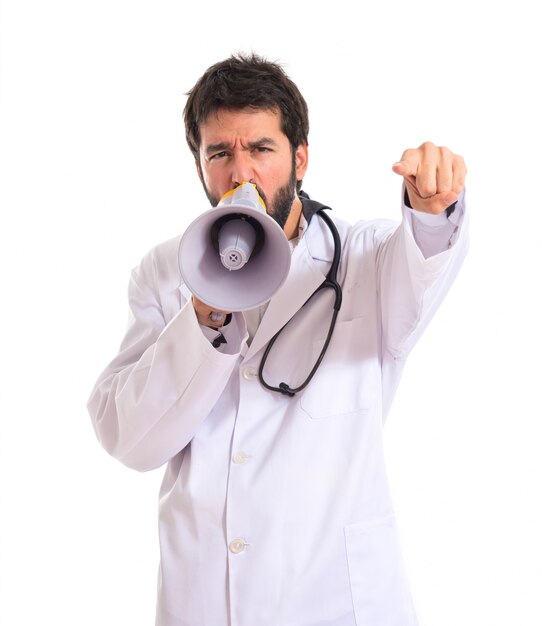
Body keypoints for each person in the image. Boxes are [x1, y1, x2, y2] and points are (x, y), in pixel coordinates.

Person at [88, 53, 468, 626]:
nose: (242, 175)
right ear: (200, 167)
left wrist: (432, 209)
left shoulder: (364, 258)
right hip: (207, 602)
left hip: (334, 601)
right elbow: (129, 440)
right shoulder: (165, 273)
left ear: (300, 159)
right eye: (220, 153)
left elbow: (422, 268)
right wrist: (206, 314)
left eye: (262, 149)